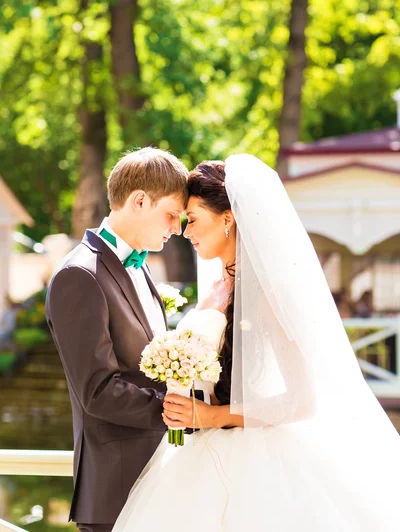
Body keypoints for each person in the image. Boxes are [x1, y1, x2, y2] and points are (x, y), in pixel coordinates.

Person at [113, 154, 400, 532]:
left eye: (194, 220)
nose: (185, 232)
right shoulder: (216, 287)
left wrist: (214, 415)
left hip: (256, 459)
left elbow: (302, 400)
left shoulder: (267, 294)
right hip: (197, 452)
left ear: (228, 219)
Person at [46, 147, 198, 532]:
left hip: (160, 481)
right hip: (116, 494)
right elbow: (98, 391)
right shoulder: (78, 276)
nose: (176, 228)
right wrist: (179, 411)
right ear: (139, 200)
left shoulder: (141, 267)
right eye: (170, 215)